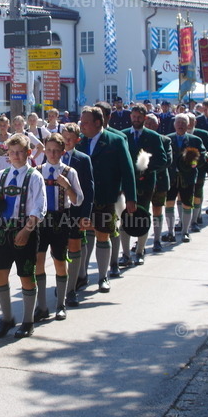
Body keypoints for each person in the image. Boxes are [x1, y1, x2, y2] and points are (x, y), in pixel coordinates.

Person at [0, 135, 46, 338]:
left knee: (26, 277)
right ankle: (7, 318)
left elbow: (40, 207)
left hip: (26, 230)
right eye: (12, 152)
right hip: (4, 231)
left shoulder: (34, 176)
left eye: (20, 151)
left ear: (28, 153)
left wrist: (27, 230)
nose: (15, 155)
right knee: (0, 276)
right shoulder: (1, 176)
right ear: (7, 154)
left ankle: (28, 321)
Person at [77, 106, 136, 293]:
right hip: (84, 200)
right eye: (81, 121)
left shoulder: (116, 141)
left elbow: (128, 171)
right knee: (84, 236)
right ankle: (82, 275)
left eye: (85, 122)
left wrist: (131, 198)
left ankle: (103, 277)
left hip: (106, 197)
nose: (82, 125)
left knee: (103, 234)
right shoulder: (80, 143)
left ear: (97, 122)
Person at [34, 134, 82, 321]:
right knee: (38, 261)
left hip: (61, 219)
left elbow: (78, 200)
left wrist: (68, 187)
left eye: (56, 151)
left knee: (60, 261)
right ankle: (42, 306)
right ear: (44, 150)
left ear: (63, 152)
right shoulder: (37, 171)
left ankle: (61, 304)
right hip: (41, 220)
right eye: (49, 150)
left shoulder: (70, 172)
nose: (53, 154)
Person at [121, 105, 169, 262]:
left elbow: (163, 160)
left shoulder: (153, 136)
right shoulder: (123, 135)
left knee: (142, 216)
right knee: (125, 216)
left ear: (145, 118)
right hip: (127, 183)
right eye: (133, 116)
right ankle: (126, 254)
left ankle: (140, 252)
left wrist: (146, 168)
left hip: (146, 183)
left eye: (139, 117)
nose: (136, 119)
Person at [60, 123, 94, 308]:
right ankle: (62, 282)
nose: (67, 141)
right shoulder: (52, 157)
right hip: (56, 211)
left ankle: (71, 288)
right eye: (64, 137)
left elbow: (88, 190)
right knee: (59, 249)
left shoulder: (83, 159)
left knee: (74, 246)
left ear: (77, 140)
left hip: (75, 211)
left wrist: (85, 215)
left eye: (71, 138)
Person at [165, 115, 207, 243]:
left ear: (188, 125)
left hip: (187, 177)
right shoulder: (167, 138)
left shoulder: (195, 140)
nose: (181, 125)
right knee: (169, 203)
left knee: (187, 204)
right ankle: (171, 232)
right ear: (174, 124)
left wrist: (192, 163)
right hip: (171, 177)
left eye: (183, 123)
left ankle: (185, 231)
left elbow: (202, 157)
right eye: (178, 122)